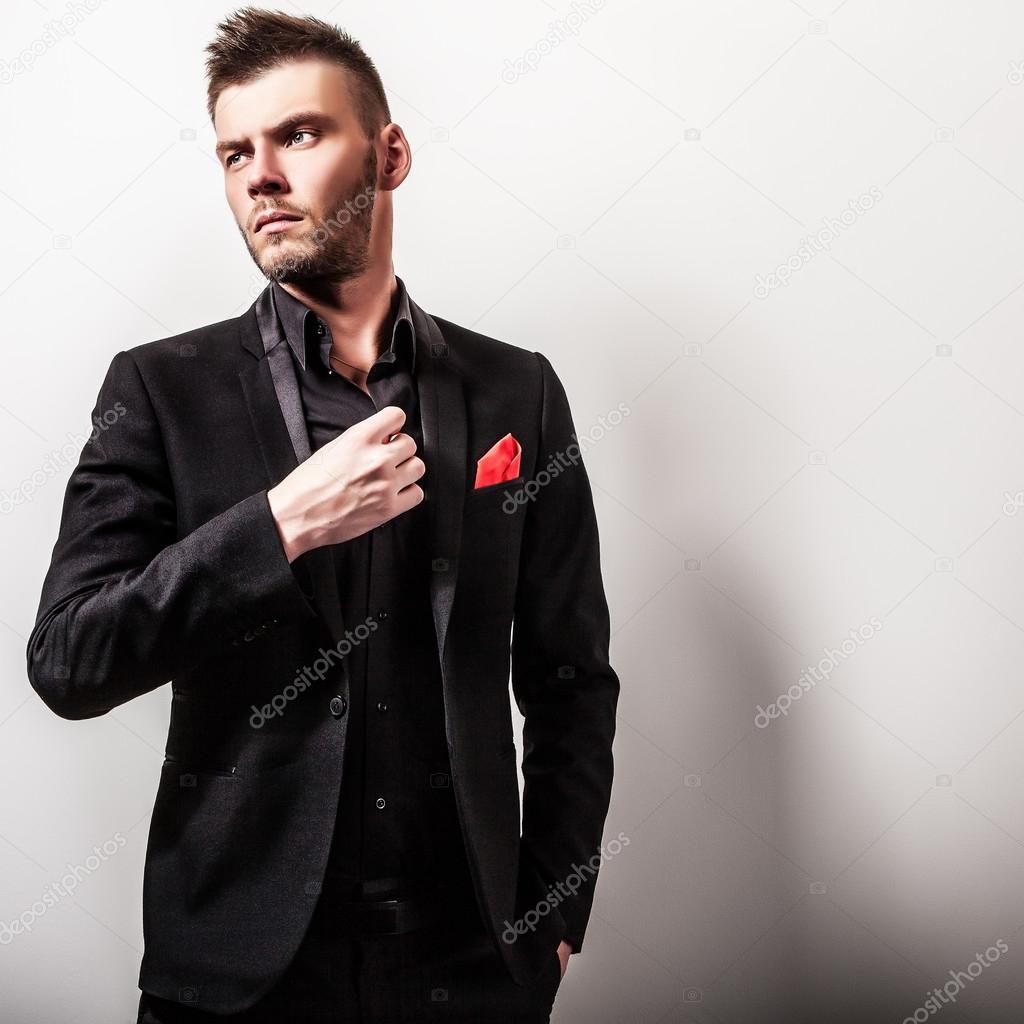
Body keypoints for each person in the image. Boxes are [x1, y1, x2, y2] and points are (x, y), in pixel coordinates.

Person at [26, 8, 619, 1022]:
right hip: (237, 974)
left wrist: (555, 916)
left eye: (296, 135)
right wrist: (277, 527)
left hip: (470, 963)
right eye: (233, 152)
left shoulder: (517, 391)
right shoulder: (161, 390)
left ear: (388, 153)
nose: (259, 174)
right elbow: (71, 661)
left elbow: (568, 677)